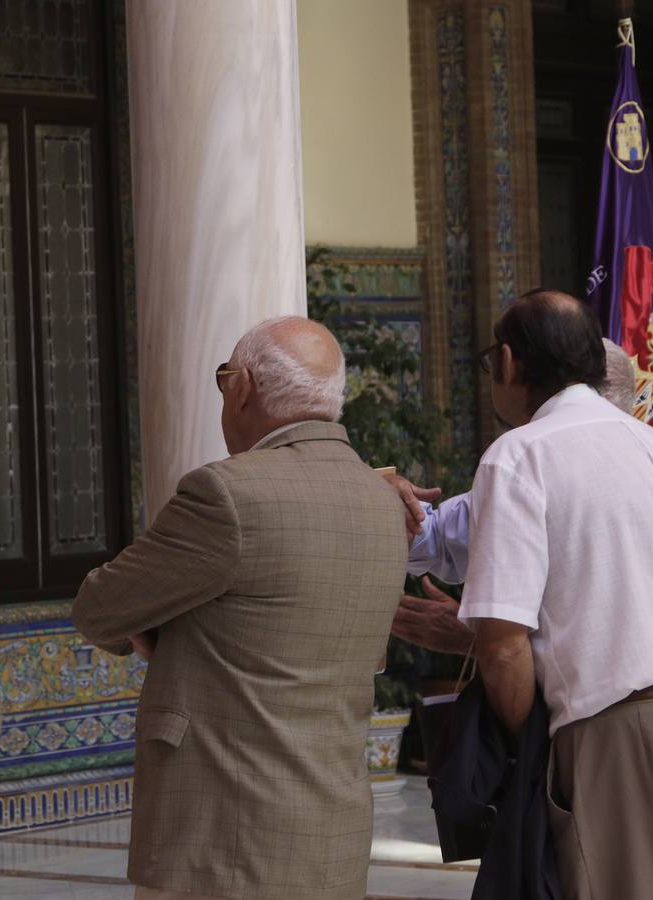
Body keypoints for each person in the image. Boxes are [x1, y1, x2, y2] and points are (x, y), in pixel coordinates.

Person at [72, 316, 409, 900]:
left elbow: (100, 607)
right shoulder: (383, 501)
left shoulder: (227, 494)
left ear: (242, 387)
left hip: (225, 840)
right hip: (334, 829)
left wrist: (153, 628)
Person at [441, 289, 653, 900]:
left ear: (507, 362)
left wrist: (528, 748)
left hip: (621, 736)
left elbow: (503, 647)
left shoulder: (519, 454)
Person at [389, 337, 640, 655]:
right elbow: (436, 538)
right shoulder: (534, 469)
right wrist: (385, 499)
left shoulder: (534, 460)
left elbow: (602, 647)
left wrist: (477, 640)